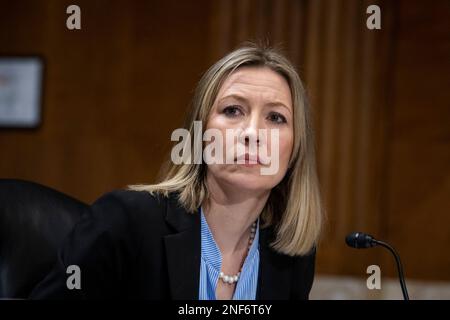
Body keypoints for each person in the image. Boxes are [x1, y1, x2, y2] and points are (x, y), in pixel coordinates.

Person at [30, 43, 323, 300]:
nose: (252, 132)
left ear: (295, 147)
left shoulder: (292, 255)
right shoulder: (124, 221)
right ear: (200, 133)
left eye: (276, 117)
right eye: (233, 110)